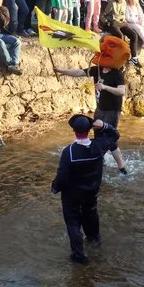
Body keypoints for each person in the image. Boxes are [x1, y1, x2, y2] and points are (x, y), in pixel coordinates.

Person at [50, 114, 120, 264]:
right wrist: (104, 126)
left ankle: (79, 256)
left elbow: (62, 177)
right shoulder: (99, 146)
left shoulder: (68, 152)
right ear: (89, 131)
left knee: (73, 221)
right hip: (92, 192)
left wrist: (55, 187)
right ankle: (95, 242)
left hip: (72, 195)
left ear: (74, 131)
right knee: (91, 214)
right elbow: (115, 135)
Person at [53, 63, 129, 175]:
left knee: (109, 138)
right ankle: (100, 161)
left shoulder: (116, 74)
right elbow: (78, 72)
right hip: (100, 109)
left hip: (112, 111)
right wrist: (60, 70)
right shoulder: (97, 69)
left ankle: (121, 168)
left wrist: (105, 87)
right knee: (98, 137)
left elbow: (121, 91)